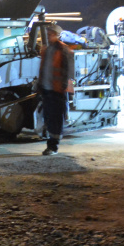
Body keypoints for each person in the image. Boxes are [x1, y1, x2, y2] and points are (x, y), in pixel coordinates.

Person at [38, 22, 74, 156]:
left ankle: (53, 146)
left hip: (58, 90)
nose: (48, 36)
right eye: (47, 34)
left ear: (57, 35)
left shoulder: (64, 49)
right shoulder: (47, 49)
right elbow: (43, 69)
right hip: (48, 88)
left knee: (56, 119)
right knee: (48, 117)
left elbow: (69, 71)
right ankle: (51, 143)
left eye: (50, 34)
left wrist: (64, 87)